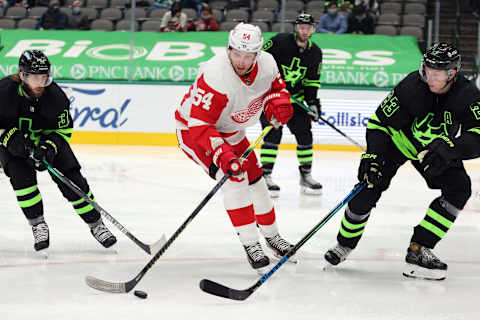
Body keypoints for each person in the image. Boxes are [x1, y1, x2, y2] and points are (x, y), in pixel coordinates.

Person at [323, 43, 480, 280]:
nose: (430, 77)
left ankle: (419, 248)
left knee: (459, 189)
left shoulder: (467, 94)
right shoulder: (411, 86)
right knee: (367, 188)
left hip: (433, 152)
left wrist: (452, 148)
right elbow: (378, 124)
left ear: (452, 73)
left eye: (437, 73)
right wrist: (373, 155)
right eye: (427, 69)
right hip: (397, 143)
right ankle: (344, 244)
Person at [175, 23, 295, 273]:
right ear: (228, 49)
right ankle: (251, 244)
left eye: (248, 55)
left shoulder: (268, 64)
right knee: (234, 177)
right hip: (195, 132)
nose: (241, 61)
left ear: (257, 54)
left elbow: (277, 89)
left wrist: (279, 104)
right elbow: (200, 125)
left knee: (256, 179)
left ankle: (272, 236)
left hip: (232, 131)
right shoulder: (215, 76)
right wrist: (222, 154)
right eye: (237, 53)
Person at [0, 50, 117, 252]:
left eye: (44, 77)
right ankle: (38, 224)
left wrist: (48, 147)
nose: (41, 83)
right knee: (22, 181)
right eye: (35, 77)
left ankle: (96, 224)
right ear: (22, 75)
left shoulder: (56, 97)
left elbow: (63, 130)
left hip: (47, 141)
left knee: (73, 181)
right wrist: (12, 140)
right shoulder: (4, 92)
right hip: (14, 142)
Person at [259, 13, 323, 198]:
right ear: (296, 27)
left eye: (308, 28)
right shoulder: (279, 41)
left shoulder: (315, 52)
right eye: (302, 27)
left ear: (313, 29)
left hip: (296, 100)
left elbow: (312, 81)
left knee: (305, 136)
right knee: (273, 134)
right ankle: (266, 175)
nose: (305, 31)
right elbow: (260, 60)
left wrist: (312, 104)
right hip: (273, 98)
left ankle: (306, 175)